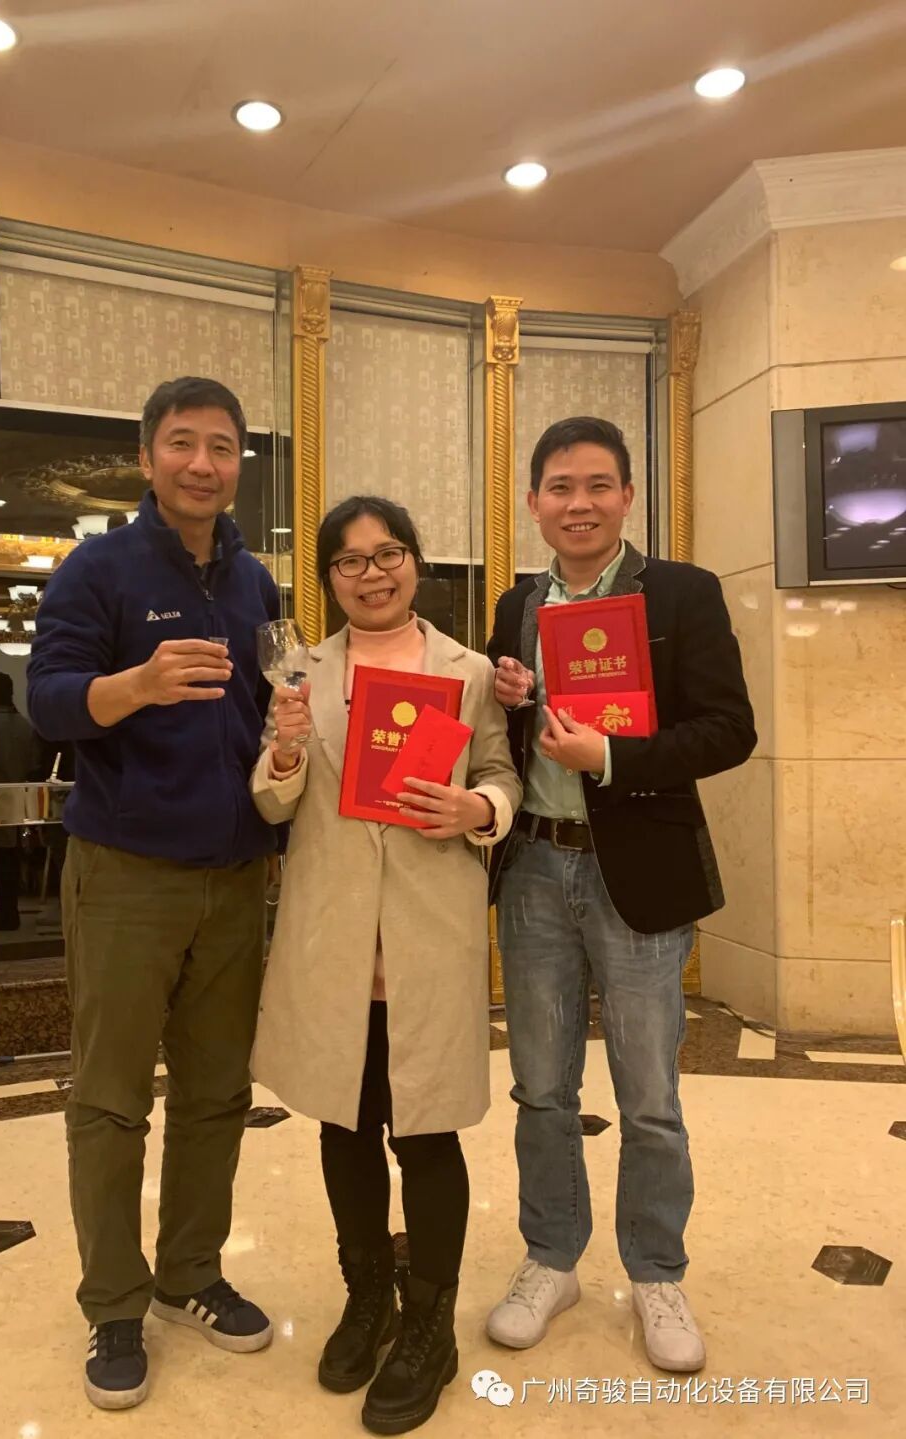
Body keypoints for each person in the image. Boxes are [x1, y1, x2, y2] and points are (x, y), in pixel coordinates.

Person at [27, 376, 280, 1411]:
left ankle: (190, 1273)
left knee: (218, 1091)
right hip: (126, 872)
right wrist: (136, 683)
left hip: (237, 874)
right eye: (182, 443)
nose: (202, 463)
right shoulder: (97, 568)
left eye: (221, 446)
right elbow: (45, 701)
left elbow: (263, 704)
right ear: (146, 457)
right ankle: (114, 1302)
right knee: (111, 1095)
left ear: (237, 464)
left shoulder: (255, 580)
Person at [485, 416, 756, 1372]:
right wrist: (510, 702)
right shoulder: (518, 605)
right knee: (540, 1087)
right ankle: (551, 1257)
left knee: (648, 1096)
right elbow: (504, 742)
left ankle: (656, 1271)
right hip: (534, 866)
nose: (580, 504)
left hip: (638, 870)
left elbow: (730, 729)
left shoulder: (680, 592)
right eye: (560, 488)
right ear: (534, 502)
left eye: (598, 485)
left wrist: (613, 756)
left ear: (628, 496)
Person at [251, 497, 521, 1435]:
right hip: (334, 939)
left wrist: (478, 811)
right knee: (346, 1124)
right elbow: (273, 803)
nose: (372, 573)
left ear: (415, 563)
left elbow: (502, 774)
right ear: (329, 578)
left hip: (426, 933)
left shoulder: (468, 671)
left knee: (428, 1132)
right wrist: (286, 747)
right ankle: (366, 1294)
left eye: (388, 553)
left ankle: (429, 1326)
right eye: (351, 560)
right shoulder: (302, 673)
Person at [0, 670, 43, 932]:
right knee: (9, 857)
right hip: (20, 800)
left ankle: (3, 911)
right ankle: (9, 909)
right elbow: (35, 765)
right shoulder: (25, 725)